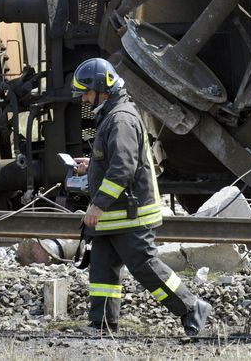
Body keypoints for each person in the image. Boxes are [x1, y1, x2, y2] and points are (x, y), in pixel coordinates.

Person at [71, 58, 211, 336]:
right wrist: (92, 166)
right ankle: (102, 325)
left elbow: (123, 169)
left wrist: (98, 205)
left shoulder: (120, 118)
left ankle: (192, 306)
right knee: (102, 271)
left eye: (87, 92)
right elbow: (116, 161)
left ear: (103, 88)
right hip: (116, 215)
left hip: (128, 214)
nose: (85, 98)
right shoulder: (113, 115)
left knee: (145, 267)